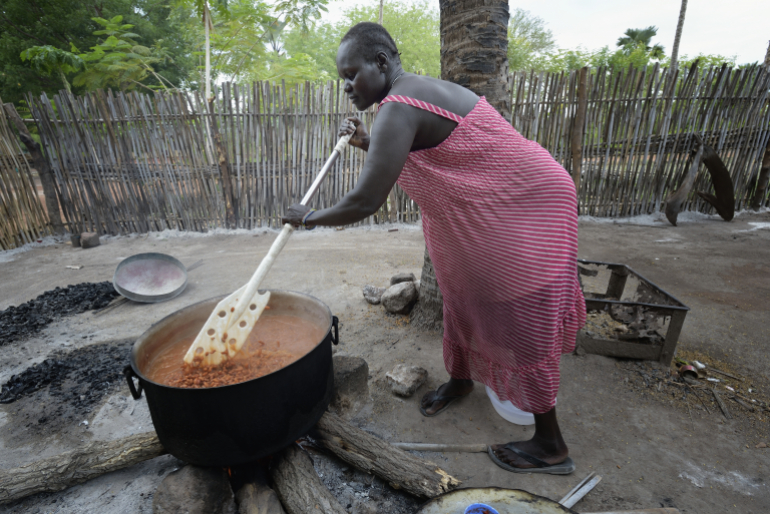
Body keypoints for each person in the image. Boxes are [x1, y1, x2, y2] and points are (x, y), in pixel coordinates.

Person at [282, 22, 586, 475]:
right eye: (342, 79)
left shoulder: (399, 106)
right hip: (474, 216)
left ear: (381, 63)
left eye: (352, 75)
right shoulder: (399, 104)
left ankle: (550, 443)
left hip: (524, 204)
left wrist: (308, 218)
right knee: (460, 295)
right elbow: (423, 150)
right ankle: (461, 381)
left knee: (519, 315)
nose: (346, 87)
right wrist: (367, 142)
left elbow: (366, 200)